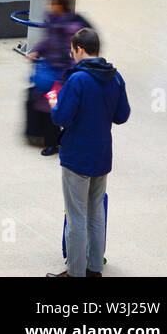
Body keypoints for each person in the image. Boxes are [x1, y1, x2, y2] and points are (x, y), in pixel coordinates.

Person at [48, 28, 130, 278]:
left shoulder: (78, 80)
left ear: (80, 49)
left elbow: (62, 117)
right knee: (96, 213)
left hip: (77, 158)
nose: (72, 55)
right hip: (102, 156)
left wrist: (54, 104)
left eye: (72, 50)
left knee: (76, 217)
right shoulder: (115, 77)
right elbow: (122, 115)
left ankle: (75, 273)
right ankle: (95, 269)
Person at [27, 0, 90, 155]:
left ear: (61, 5)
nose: (49, 6)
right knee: (43, 102)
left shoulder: (71, 29)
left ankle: (54, 143)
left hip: (60, 76)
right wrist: (37, 51)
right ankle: (46, 138)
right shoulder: (54, 21)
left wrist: (63, 78)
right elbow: (49, 41)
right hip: (52, 71)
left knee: (51, 105)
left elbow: (72, 57)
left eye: (52, 2)